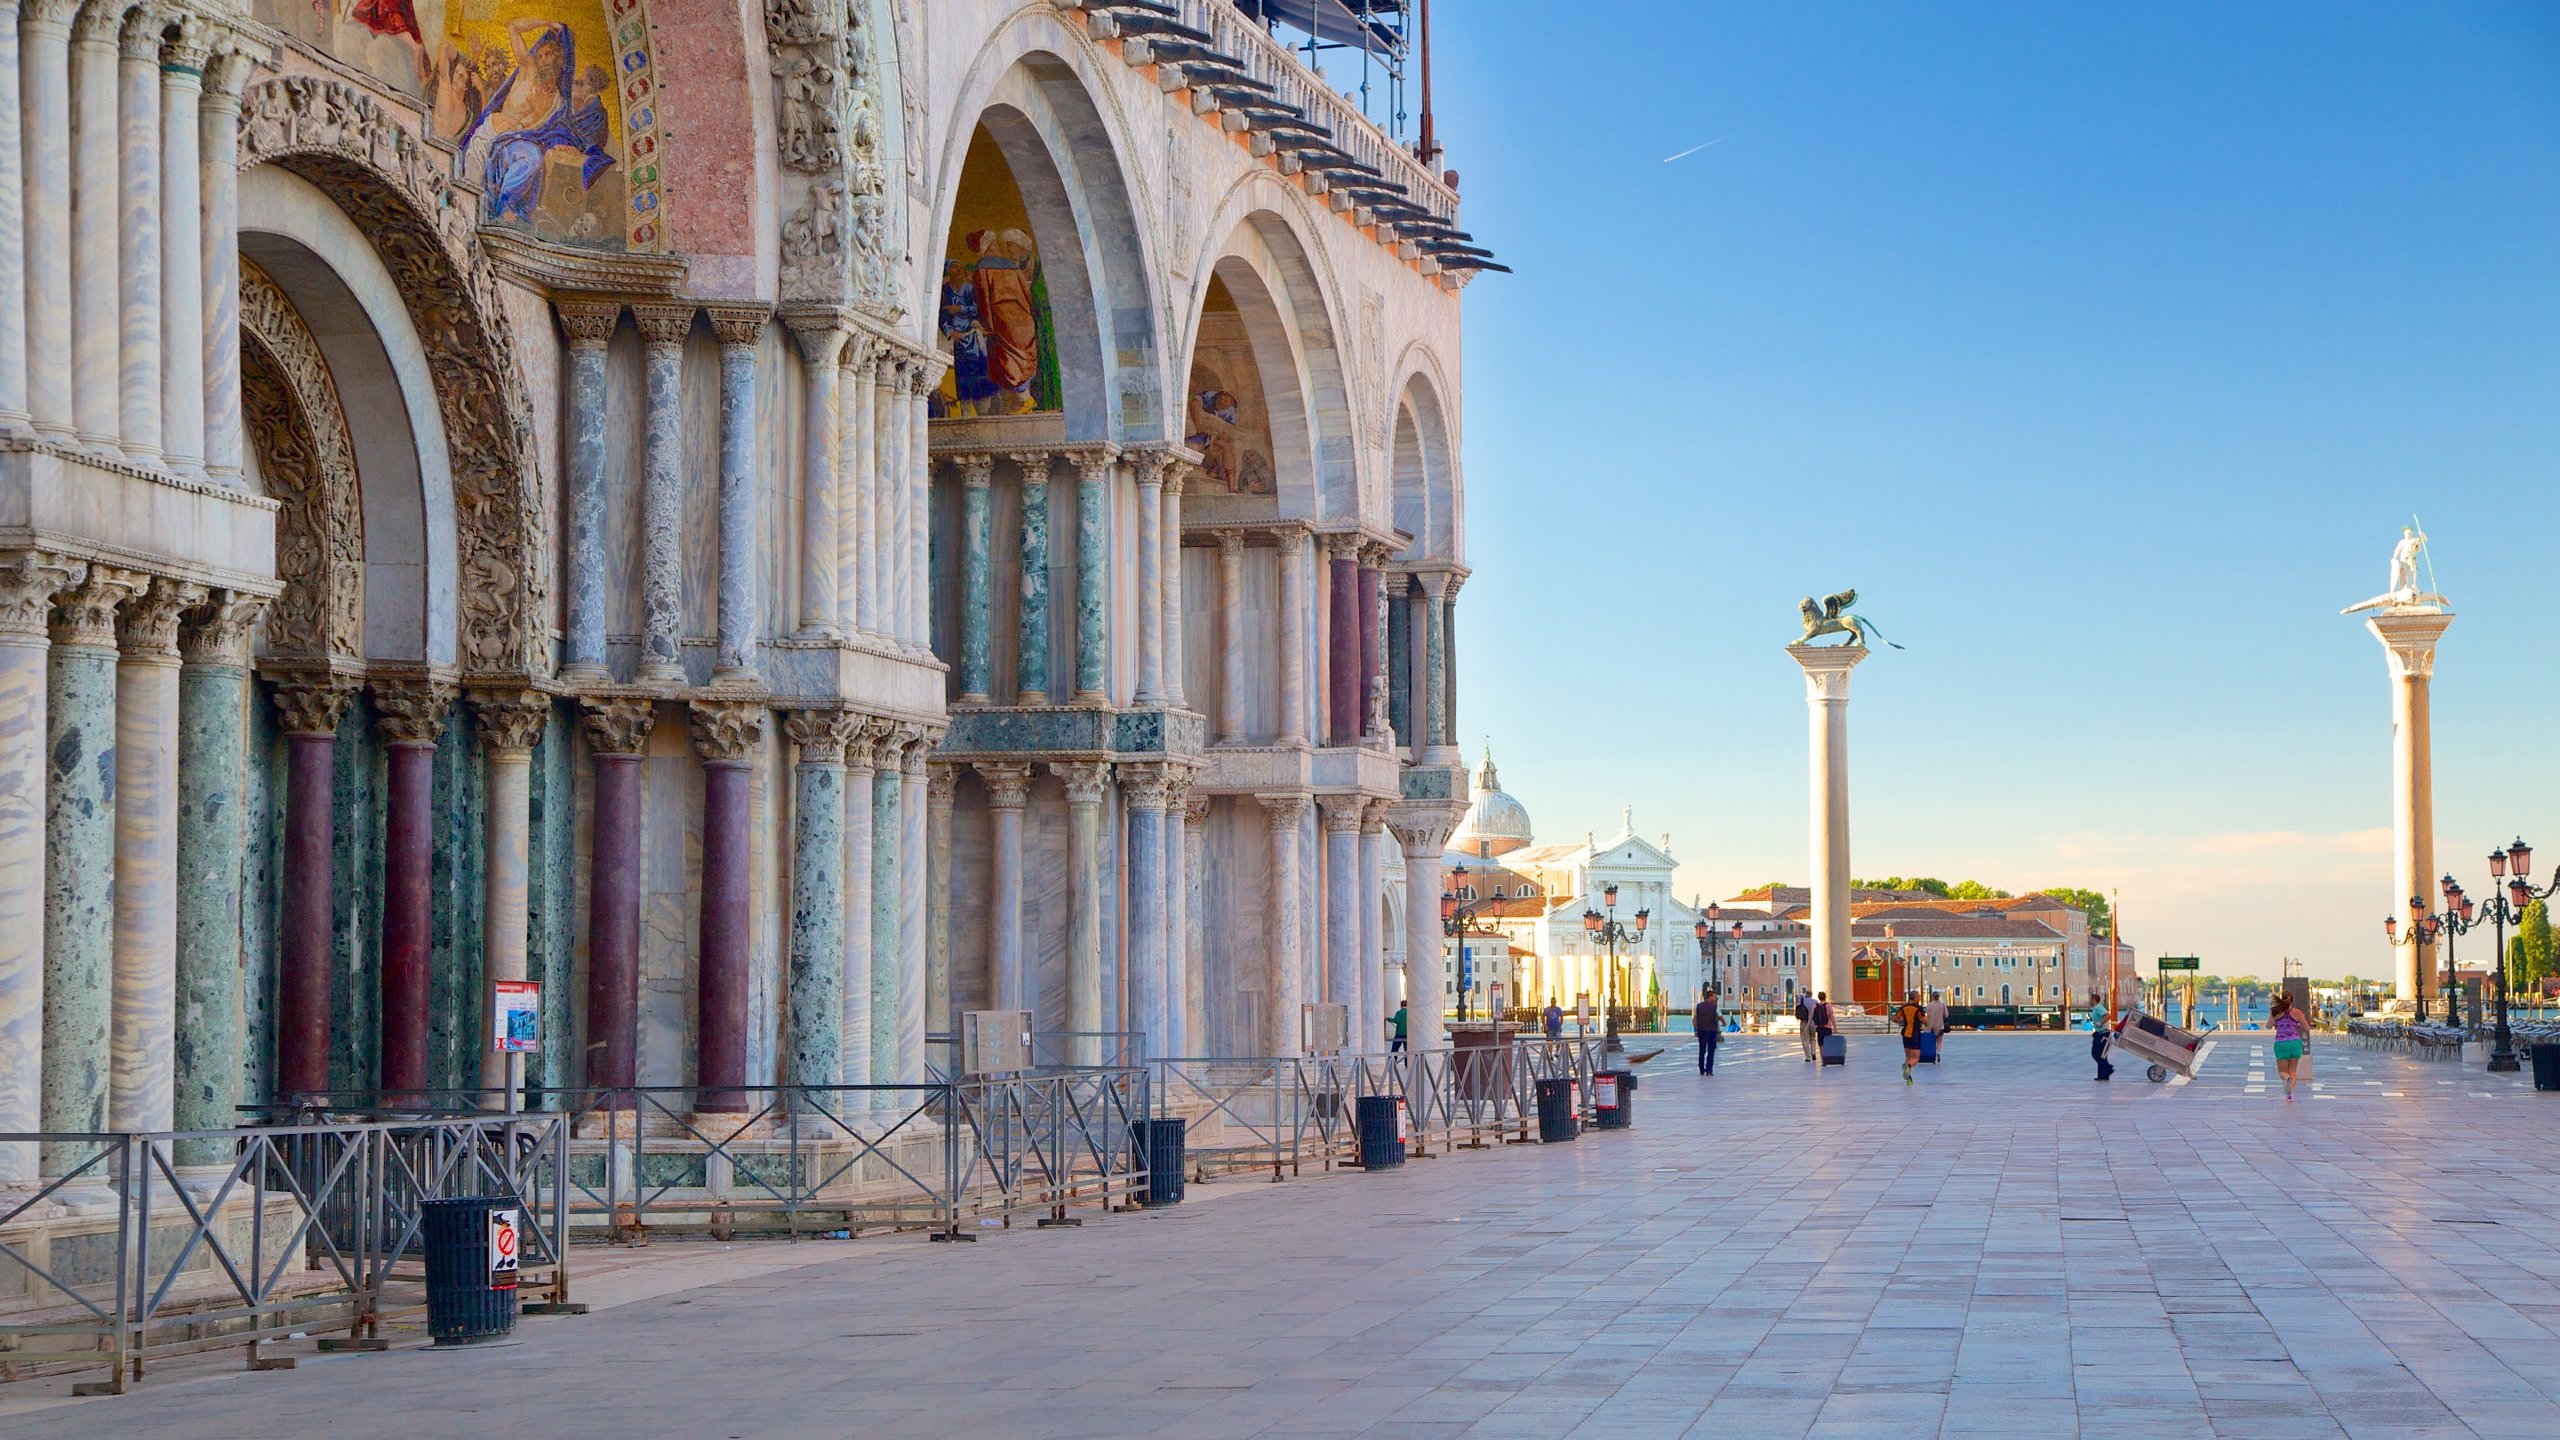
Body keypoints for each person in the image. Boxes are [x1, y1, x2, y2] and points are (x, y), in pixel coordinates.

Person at [2270, 992, 2309, 1099]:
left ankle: (2287, 1079)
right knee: (2292, 1071)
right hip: (2295, 1043)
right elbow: (2306, 1028)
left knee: (2283, 1072)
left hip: (2281, 1043)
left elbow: (2268, 1025)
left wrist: (2276, 1023)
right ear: (2292, 1000)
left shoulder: (2275, 1012)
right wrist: (2298, 1025)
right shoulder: (2298, 1012)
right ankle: (2289, 1094)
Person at [1896, 992, 1926, 1083]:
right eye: (1919, 997)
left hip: (1905, 1034)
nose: (1920, 998)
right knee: (1916, 1058)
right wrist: (1927, 1022)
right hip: (1915, 1034)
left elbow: (1894, 1018)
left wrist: (1903, 1021)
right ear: (1915, 998)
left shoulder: (1904, 1007)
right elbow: (1924, 1020)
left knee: (1908, 1056)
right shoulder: (1918, 1008)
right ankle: (1907, 1066)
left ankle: (1908, 1079)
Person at [2086, 995, 2115, 1081]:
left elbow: (2108, 1016)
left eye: (2090, 999)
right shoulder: (2096, 1008)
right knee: (2101, 1055)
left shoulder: (2098, 1007)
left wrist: (2101, 1023)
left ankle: (2108, 1068)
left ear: (2094, 1000)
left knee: (2096, 1053)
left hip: (2103, 1034)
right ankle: (2103, 1075)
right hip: (2099, 1033)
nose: (2089, 1001)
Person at [1693, 988, 1721, 1075]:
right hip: (1711, 1031)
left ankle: (1702, 1070)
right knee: (1711, 1051)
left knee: (1702, 1051)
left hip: (1701, 1031)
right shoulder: (1715, 1007)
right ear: (1710, 997)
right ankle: (1709, 1070)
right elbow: (1720, 1016)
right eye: (1714, 997)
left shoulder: (1698, 1006)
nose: (1715, 999)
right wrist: (1724, 1023)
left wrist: (1695, 1029)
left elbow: (1694, 1019)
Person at [1924, 990, 1949, 1064]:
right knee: (1939, 1041)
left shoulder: (1929, 1005)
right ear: (1938, 997)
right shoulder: (1942, 1005)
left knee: (1931, 1041)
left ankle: (1932, 1055)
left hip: (1930, 1026)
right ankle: (1938, 1053)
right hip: (1940, 1025)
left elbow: (1927, 1015)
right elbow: (1946, 1015)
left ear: (1932, 997)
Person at [1812, 992, 1836, 1062]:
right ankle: (1828, 1058)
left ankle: (1823, 1060)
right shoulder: (1828, 1005)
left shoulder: (1815, 1006)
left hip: (1819, 1028)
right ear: (1825, 997)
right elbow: (1831, 1017)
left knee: (1821, 1045)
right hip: (1827, 1027)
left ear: (1818, 998)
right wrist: (1835, 1027)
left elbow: (1811, 1017)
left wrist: (1807, 1027)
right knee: (1828, 1044)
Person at [1794, 992, 1817, 1062]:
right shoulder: (1815, 1001)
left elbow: (1797, 1009)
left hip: (1804, 1022)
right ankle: (1813, 1052)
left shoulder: (1801, 1001)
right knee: (1813, 1038)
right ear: (1811, 995)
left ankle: (1808, 1057)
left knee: (1805, 1039)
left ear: (1805, 994)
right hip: (1813, 1022)